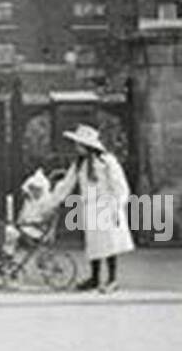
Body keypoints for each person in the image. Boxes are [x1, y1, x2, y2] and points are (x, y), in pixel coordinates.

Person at [52, 124, 134, 293]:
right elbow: (67, 184)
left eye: (78, 144)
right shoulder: (79, 164)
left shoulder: (107, 162)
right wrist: (55, 200)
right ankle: (95, 278)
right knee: (94, 244)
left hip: (105, 204)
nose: (76, 147)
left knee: (109, 244)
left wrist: (118, 205)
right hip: (90, 205)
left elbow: (119, 185)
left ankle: (112, 279)